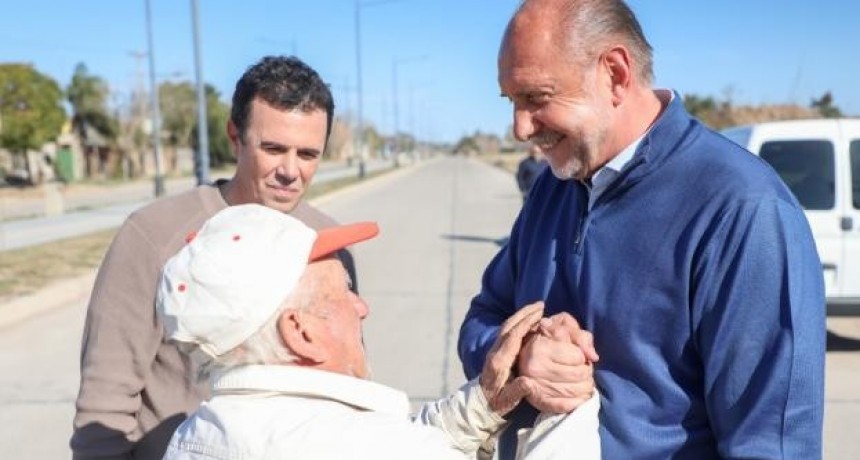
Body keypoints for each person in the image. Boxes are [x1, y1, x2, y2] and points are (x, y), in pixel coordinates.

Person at [457, 0, 826, 458]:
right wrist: (521, 355)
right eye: (511, 101)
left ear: (614, 73)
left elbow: (772, 443)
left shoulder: (743, 210)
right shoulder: (553, 189)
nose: (519, 128)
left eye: (536, 98)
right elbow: (482, 318)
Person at [70, 55, 356, 460]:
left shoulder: (329, 243)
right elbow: (105, 403)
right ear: (234, 136)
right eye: (273, 149)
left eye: (308, 154)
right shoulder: (152, 235)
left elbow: (346, 379)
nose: (291, 171)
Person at [155, 204, 602, 459]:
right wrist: (571, 403)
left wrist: (482, 405)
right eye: (345, 290)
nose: (362, 307)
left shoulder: (196, 437)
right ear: (300, 332)